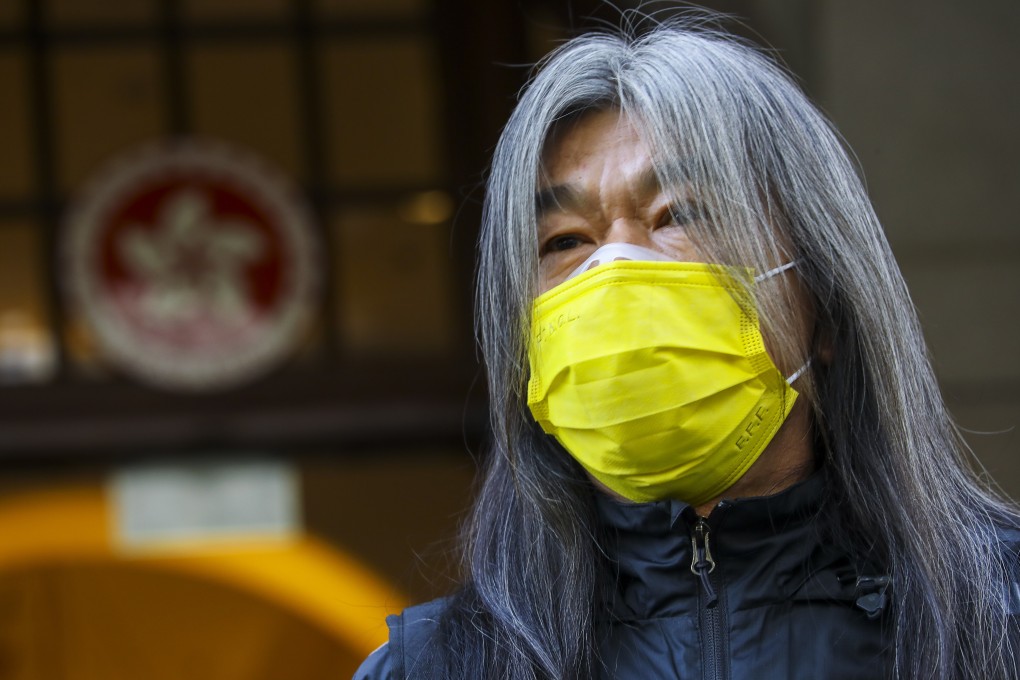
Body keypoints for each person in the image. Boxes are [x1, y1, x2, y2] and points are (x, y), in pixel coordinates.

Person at [355, 14, 1020, 680]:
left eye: (679, 213)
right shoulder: (433, 669)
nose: (615, 266)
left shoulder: (996, 621)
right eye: (565, 241)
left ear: (824, 304)